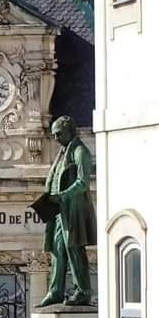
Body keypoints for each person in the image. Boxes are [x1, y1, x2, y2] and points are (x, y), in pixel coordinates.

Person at [38, 115, 97, 307]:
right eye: (53, 134)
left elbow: (82, 182)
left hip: (72, 210)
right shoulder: (62, 153)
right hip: (58, 211)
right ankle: (55, 291)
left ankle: (83, 292)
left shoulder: (80, 151)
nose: (55, 138)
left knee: (74, 250)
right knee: (57, 250)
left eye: (58, 134)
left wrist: (63, 195)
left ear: (69, 131)